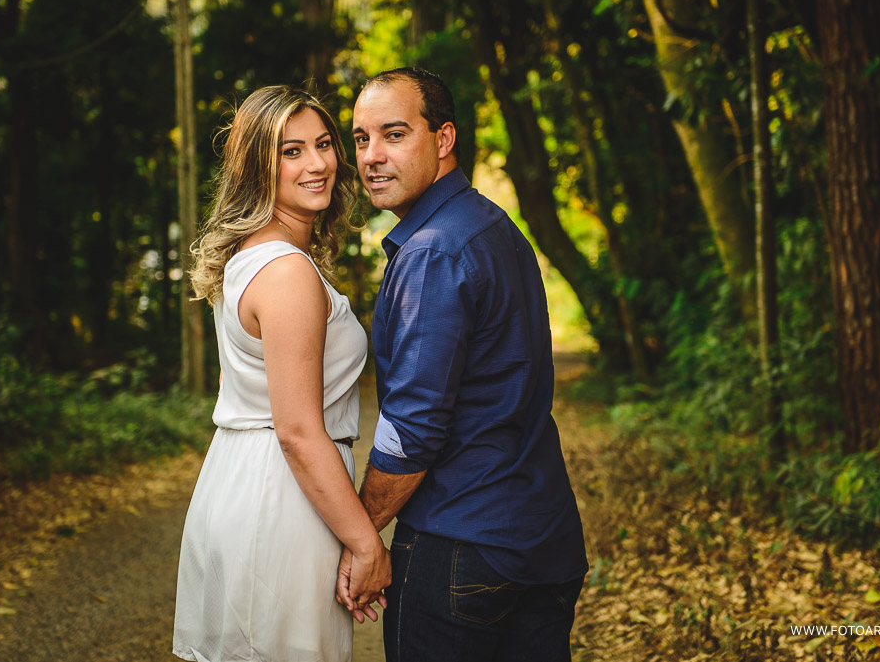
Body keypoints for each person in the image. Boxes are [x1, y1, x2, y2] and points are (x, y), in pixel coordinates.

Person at [339, 68, 589, 661]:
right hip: (543, 540)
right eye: (360, 138)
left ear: (443, 139)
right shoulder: (495, 229)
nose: (371, 157)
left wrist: (360, 534)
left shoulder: (432, 252)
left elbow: (412, 431)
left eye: (394, 134)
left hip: (461, 548)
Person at [173, 85, 390, 662]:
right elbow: (297, 430)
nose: (318, 164)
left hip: (240, 479)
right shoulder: (288, 272)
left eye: (323, 144)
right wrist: (366, 542)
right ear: (257, 165)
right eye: (291, 151)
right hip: (281, 500)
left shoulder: (250, 256)